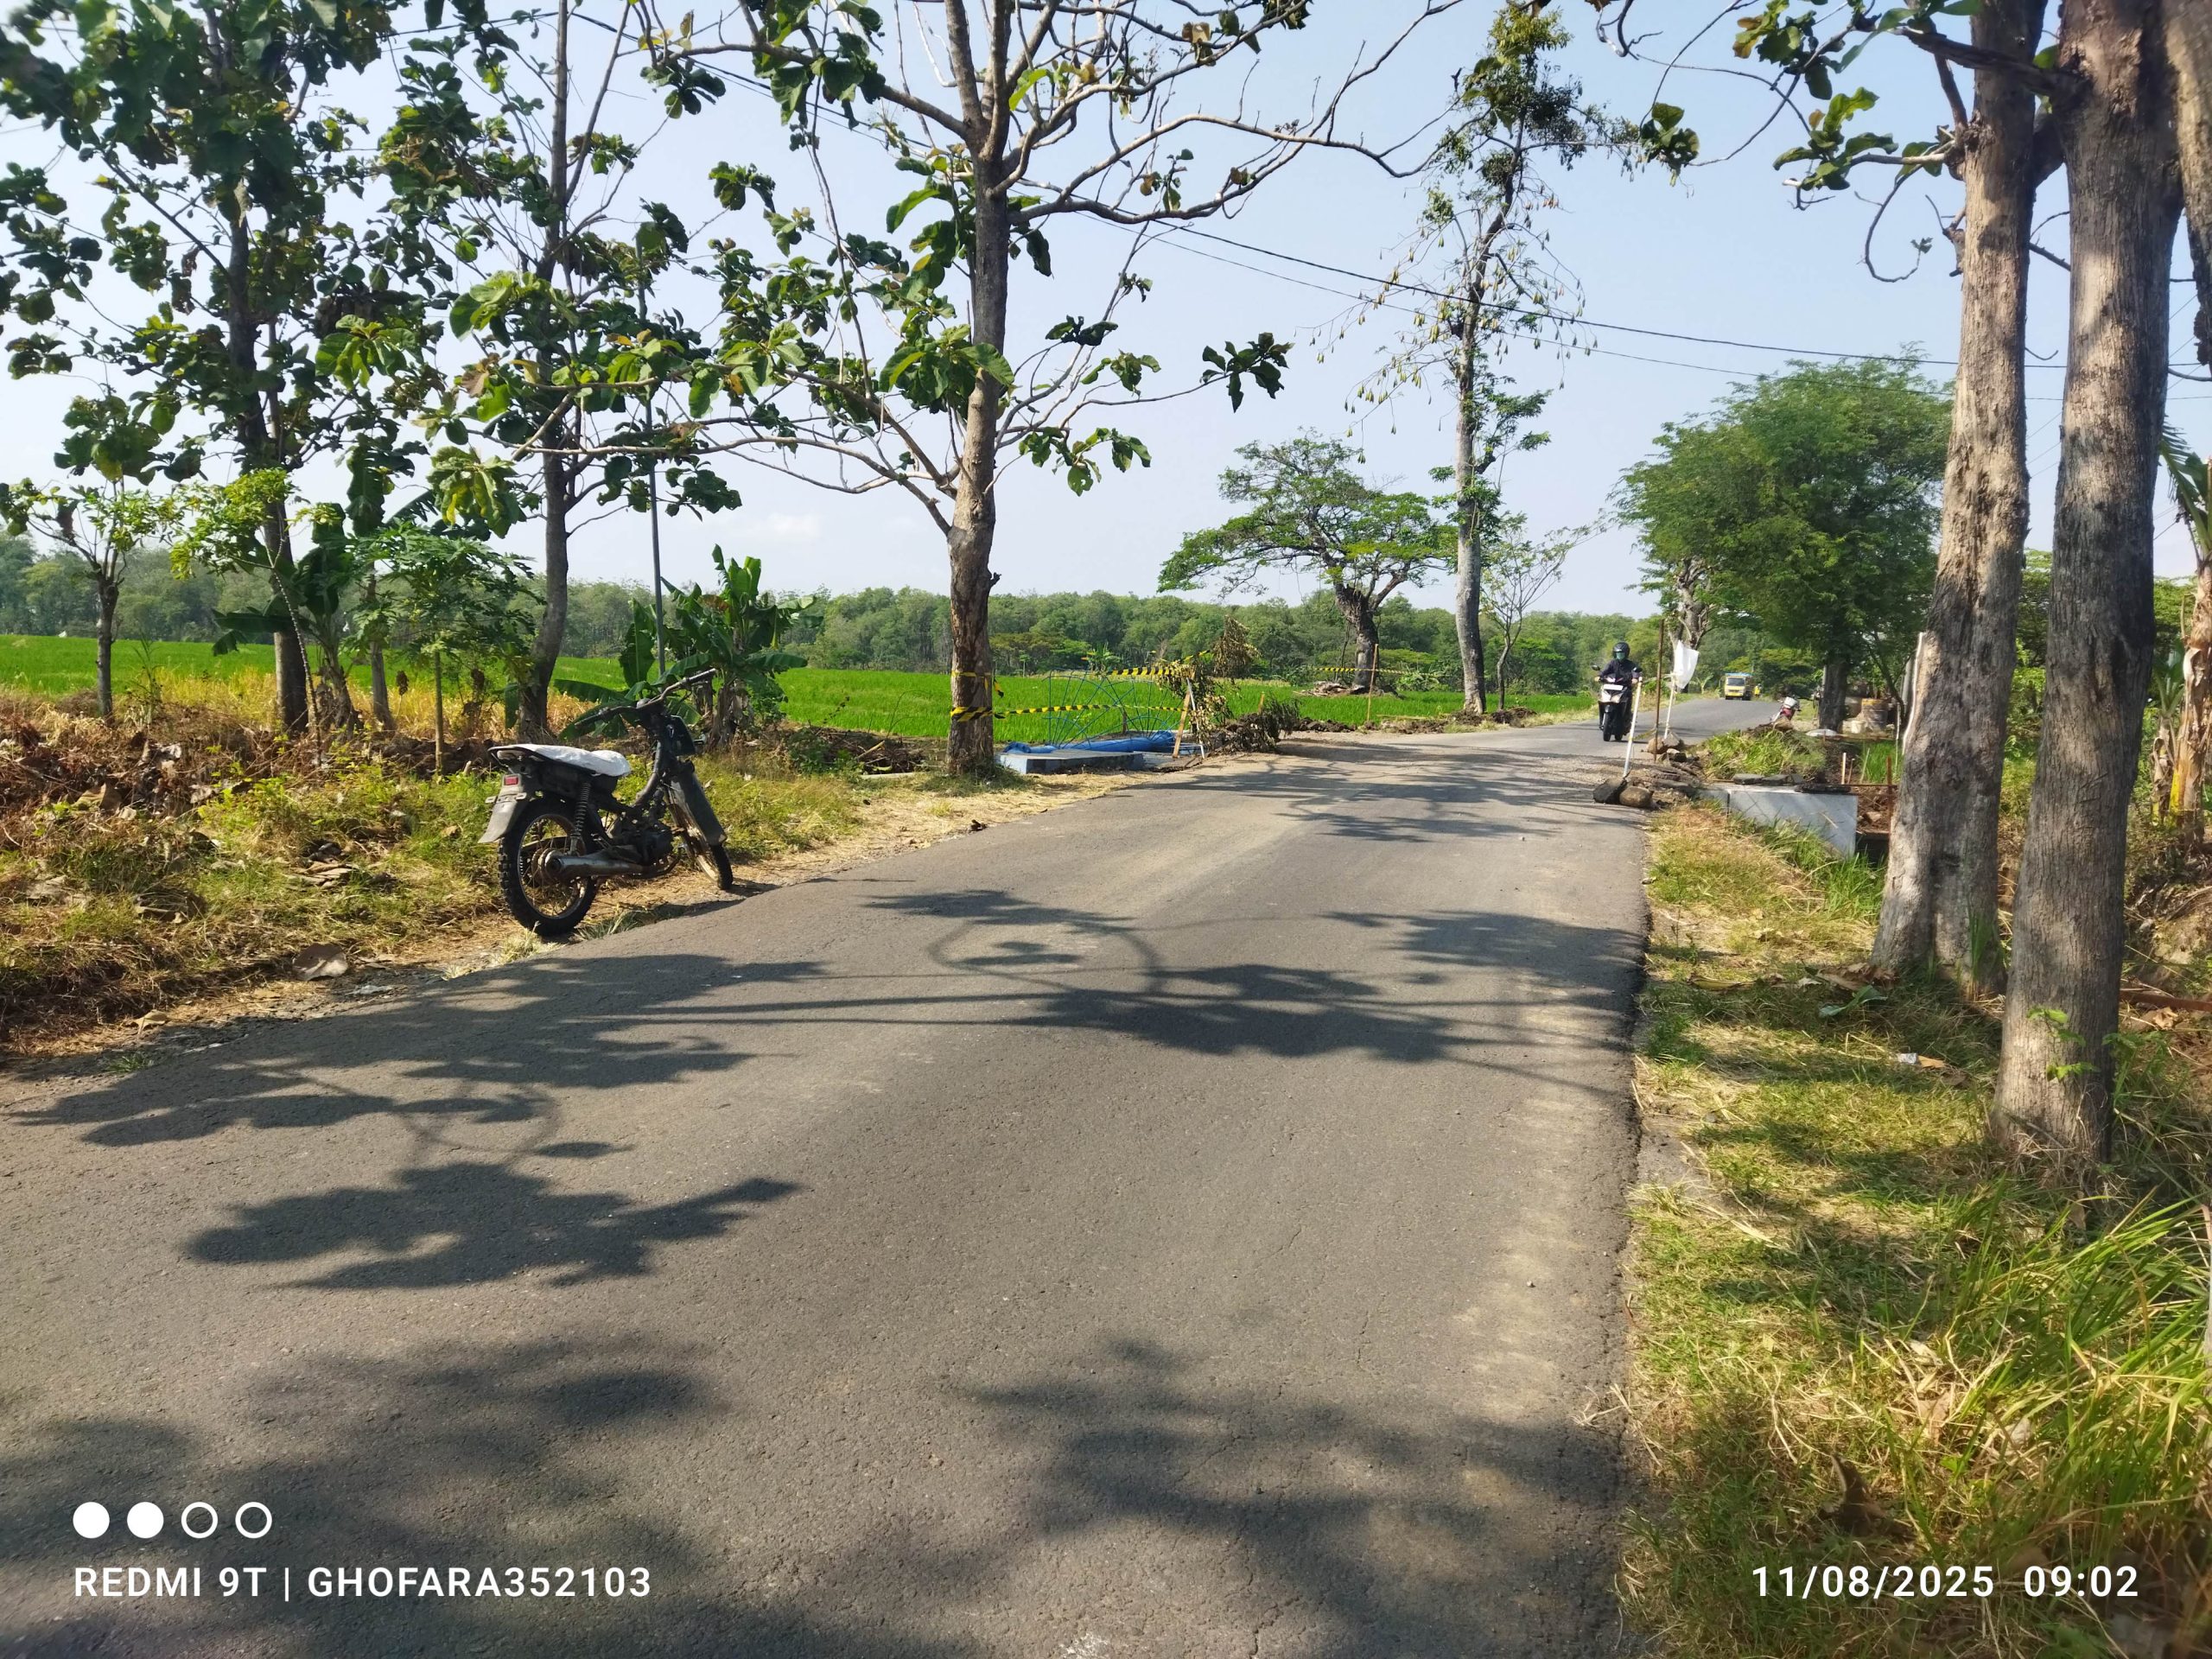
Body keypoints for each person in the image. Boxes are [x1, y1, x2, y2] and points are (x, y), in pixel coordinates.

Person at [1595, 641, 1641, 741]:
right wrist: (1599, 676)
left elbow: (1635, 672)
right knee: (1601, 700)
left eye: (1621, 654)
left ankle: (1626, 718)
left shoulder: (1631, 664)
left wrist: (1635, 678)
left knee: (1628, 696)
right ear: (1615, 654)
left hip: (1625, 688)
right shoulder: (1612, 663)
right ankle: (1602, 721)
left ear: (1626, 654)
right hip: (1611, 687)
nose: (1619, 655)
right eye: (1618, 654)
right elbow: (1604, 671)